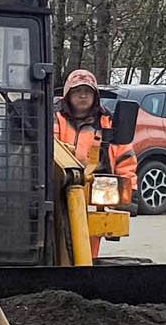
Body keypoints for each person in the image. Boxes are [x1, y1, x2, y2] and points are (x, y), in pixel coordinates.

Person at [54, 69, 128, 255]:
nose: (82, 96)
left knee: (89, 241)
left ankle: (88, 267)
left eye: (87, 91)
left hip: (94, 191)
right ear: (67, 94)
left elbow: (124, 157)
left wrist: (128, 194)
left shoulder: (107, 123)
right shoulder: (54, 117)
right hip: (55, 187)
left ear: (95, 96)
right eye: (77, 91)